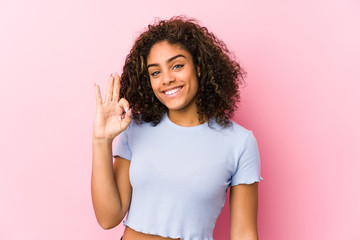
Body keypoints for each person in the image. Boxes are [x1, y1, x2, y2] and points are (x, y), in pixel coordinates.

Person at [91, 16, 263, 240]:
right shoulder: (136, 128)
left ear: (199, 68)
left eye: (177, 66)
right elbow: (108, 218)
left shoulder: (239, 142)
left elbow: (243, 233)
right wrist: (101, 142)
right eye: (155, 72)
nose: (167, 79)